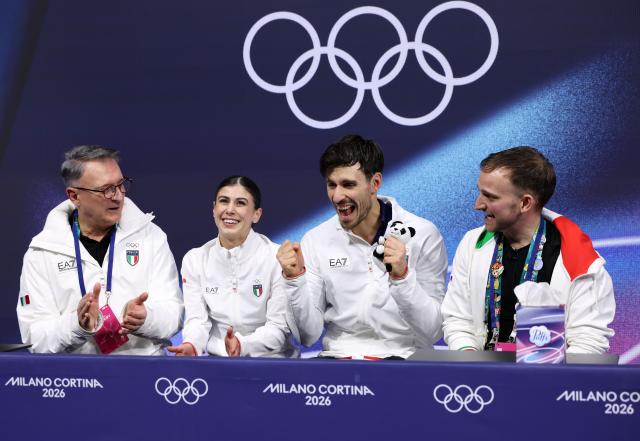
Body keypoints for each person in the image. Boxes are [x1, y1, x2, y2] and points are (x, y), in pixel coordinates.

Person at [277, 134, 447, 359]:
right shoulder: (315, 239)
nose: (337, 196)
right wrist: (295, 280)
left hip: (405, 362)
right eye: (331, 185)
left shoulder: (423, 234)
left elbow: (433, 331)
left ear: (374, 183)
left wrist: (402, 278)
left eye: (348, 185)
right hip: (339, 365)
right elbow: (308, 337)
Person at [442, 146, 615, 354]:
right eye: (480, 192)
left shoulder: (580, 262)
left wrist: (538, 377)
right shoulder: (472, 243)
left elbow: (589, 342)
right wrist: (470, 360)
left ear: (525, 203)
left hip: (548, 381)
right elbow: (458, 319)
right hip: (481, 380)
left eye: (491, 197)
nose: (478, 204)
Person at [17, 145, 183, 354]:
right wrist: (77, 326)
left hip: (143, 374)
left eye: (121, 185)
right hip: (76, 381)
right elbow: (35, 337)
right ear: (74, 196)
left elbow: (174, 314)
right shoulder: (42, 252)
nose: (117, 196)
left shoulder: (151, 236)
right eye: (106, 189)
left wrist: (147, 318)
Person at [168, 176, 294, 357]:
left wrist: (242, 345)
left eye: (240, 203)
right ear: (213, 209)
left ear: (256, 214)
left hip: (271, 364)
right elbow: (197, 320)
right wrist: (192, 345)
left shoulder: (276, 258)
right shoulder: (195, 259)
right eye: (223, 201)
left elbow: (278, 329)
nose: (229, 210)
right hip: (218, 362)